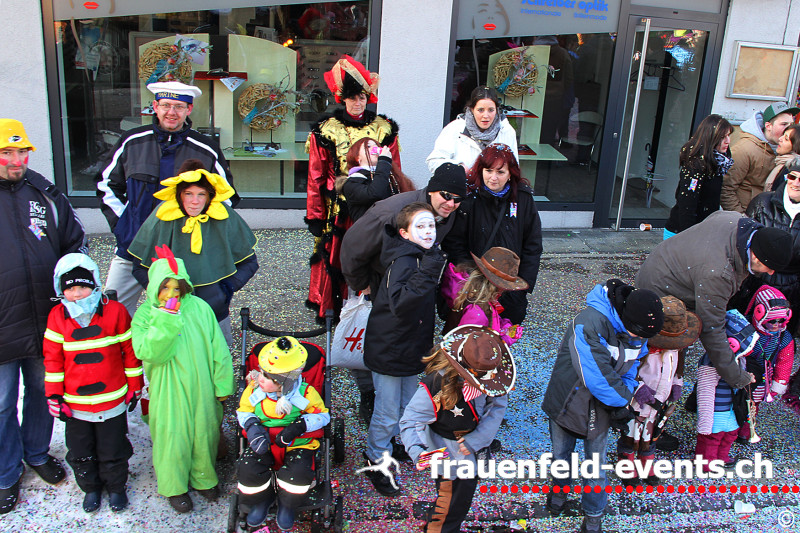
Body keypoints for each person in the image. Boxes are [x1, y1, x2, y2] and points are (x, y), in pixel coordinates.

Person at [0, 119, 86, 514]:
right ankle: (5, 472)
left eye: (22, 152)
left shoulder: (45, 193)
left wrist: (75, 294)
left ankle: (36, 452)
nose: (16, 160)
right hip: (3, 323)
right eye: (7, 152)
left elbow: (75, 244)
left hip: (46, 319)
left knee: (42, 391)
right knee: (2, 403)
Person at [340, 163, 467, 423]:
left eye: (457, 199)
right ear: (431, 190)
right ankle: (370, 395)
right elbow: (352, 247)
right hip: (381, 280)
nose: (451, 203)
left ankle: (399, 415)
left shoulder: (446, 211)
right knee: (377, 335)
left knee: (404, 335)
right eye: (446, 195)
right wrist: (362, 283)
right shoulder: (390, 212)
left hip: (415, 282)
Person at [95, 81, 234, 317]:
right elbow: (105, 184)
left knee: (186, 313)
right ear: (155, 106)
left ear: (189, 110)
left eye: (179, 107)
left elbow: (226, 196)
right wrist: (123, 226)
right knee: (113, 312)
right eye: (166, 105)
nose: (172, 112)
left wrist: (200, 233)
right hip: (133, 247)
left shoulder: (205, 149)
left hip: (184, 252)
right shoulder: (132, 141)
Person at [542, 279, 664, 533]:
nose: (640, 340)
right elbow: (595, 375)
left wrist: (625, 396)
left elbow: (631, 367)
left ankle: (593, 514)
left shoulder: (637, 331)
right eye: (638, 333)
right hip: (567, 398)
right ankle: (559, 494)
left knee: (595, 466)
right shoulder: (589, 322)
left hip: (602, 405)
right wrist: (622, 403)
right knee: (561, 455)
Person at [636, 210, 793, 391]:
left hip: (665, 265)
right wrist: (737, 376)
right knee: (662, 350)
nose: (771, 273)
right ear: (756, 257)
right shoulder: (719, 274)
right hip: (661, 290)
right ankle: (650, 390)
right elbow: (712, 328)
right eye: (770, 267)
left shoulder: (736, 219)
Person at [131, 248, 234, 513]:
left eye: (177, 288)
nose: (171, 294)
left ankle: (204, 478)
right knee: (172, 437)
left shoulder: (200, 308)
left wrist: (222, 383)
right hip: (167, 388)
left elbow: (218, 348)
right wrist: (166, 319)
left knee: (204, 433)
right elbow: (149, 352)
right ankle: (174, 486)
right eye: (165, 288)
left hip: (202, 385)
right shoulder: (145, 315)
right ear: (154, 287)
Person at [43, 254, 143, 514]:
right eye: (70, 288)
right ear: (61, 290)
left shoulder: (115, 311)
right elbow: (52, 359)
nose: (77, 294)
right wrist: (54, 396)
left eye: (82, 286)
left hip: (111, 398)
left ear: (95, 284)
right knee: (80, 450)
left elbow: (130, 352)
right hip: (75, 404)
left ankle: (116, 486)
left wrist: (135, 385)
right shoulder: (57, 316)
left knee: (114, 447)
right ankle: (91, 487)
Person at [305, 55, 401, 322]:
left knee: (374, 254)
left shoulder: (383, 128)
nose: (357, 103)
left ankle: (372, 307)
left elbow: (394, 170)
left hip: (376, 204)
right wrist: (315, 215)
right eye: (352, 98)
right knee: (339, 256)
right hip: (339, 208)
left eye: (362, 97)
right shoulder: (326, 130)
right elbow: (316, 176)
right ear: (342, 98)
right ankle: (336, 311)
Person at [362, 202, 446, 496]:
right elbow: (400, 303)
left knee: (407, 404)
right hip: (390, 351)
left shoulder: (421, 256)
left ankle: (391, 443)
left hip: (410, 347)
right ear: (404, 233)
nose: (428, 231)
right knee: (387, 411)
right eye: (420, 226)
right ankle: (376, 457)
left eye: (431, 225)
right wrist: (430, 269)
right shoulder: (405, 262)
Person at [399, 325, 514, 533]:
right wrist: (419, 453)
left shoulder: (492, 374)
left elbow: (497, 407)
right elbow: (410, 421)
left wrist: (477, 440)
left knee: (461, 501)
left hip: (474, 455)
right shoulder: (436, 386)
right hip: (448, 460)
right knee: (447, 510)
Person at [127, 164, 258, 344]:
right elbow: (139, 267)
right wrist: (161, 291)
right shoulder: (163, 216)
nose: (195, 201)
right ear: (179, 195)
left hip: (215, 311)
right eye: (188, 194)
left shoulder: (223, 216)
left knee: (218, 357)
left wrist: (227, 289)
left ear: (209, 196)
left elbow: (249, 263)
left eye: (201, 194)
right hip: (171, 313)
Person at [236, 336, 330, 530]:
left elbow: (322, 416)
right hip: (262, 440)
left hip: (297, 443)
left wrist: (300, 426)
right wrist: (252, 426)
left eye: (268, 377)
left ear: (284, 382)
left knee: (298, 475)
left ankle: (288, 504)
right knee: (247, 469)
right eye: (262, 372)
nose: (260, 378)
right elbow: (244, 411)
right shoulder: (254, 390)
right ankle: (262, 499)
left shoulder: (305, 394)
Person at [443, 143, 542, 324]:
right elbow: (455, 243)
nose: (493, 178)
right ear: (481, 170)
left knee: (505, 331)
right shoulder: (469, 198)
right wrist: (472, 278)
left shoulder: (523, 199)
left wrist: (522, 286)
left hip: (510, 285)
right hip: (474, 285)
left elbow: (533, 245)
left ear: (510, 173)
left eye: (500, 172)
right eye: (488, 171)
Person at [617, 296, 701, 482]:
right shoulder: (639, 346)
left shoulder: (676, 349)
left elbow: (677, 370)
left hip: (659, 401)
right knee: (630, 434)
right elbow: (626, 371)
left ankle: (646, 462)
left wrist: (677, 385)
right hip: (637, 402)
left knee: (651, 434)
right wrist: (638, 388)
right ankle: (626, 464)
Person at [738, 158, 800, 332]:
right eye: (792, 177)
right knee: (743, 336)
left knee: (777, 339)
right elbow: (742, 242)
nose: (795, 183)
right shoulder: (763, 202)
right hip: (754, 283)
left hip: (791, 290)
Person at [694, 309, 757, 471]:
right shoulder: (711, 361)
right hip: (716, 409)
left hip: (731, 407)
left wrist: (746, 377)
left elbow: (737, 377)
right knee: (711, 437)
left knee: (730, 434)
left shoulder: (737, 358)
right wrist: (705, 419)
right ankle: (706, 462)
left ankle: (722, 457)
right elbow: (705, 389)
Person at [737, 285, 795, 443]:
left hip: (762, 376)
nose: (776, 325)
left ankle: (745, 431)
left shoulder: (784, 337)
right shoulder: (743, 328)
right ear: (759, 314)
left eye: (781, 321)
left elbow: (785, 361)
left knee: (753, 405)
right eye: (772, 321)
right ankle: (729, 429)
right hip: (739, 370)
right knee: (730, 401)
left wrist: (779, 382)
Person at [720, 102, 799, 213]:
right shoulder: (744, 149)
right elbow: (726, 189)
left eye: (791, 124)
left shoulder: (785, 151)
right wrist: (742, 218)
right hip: (748, 215)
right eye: (784, 124)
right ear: (768, 126)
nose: (788, 129)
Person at [664, 114, 734, 237]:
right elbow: (687, 204)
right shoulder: (696, 166)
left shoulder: (718, 162)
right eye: (722, 137)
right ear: (711, 138)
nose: (727, 141)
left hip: (703, 229)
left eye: (728, 135)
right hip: (683, 233)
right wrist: (690, 236)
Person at [441, 247, 528, 345]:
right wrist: (505, 340)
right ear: (496, 287)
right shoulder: (476, 312)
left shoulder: (478, 298)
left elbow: (490, 322)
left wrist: (503, 326)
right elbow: (474, 348)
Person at [426, 86, 519, 173]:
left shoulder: (506, 131)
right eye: (480, 110)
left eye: (491, 110)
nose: (486, 115)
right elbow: (433, 162)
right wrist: (459, 168)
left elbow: (514, 166)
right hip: (462, 184)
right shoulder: (454, 129)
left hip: (494, 185)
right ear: (472, 109)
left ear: (497, 110)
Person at [337, 136, 414, 223]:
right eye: (368, 146)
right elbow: (375, 194)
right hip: (370, 229)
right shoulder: (352, 182)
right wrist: (384, 161)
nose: (374, 148)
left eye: (376, 146)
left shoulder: (390, 176)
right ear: (357, 157)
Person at [763, 124, 800, 191]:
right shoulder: (781, 162)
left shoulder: (791, 169)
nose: (780, 139)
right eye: (782, 135)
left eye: (786, 139)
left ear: (796, 146)